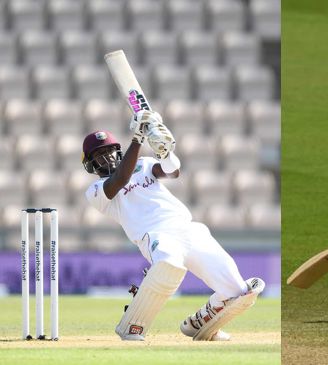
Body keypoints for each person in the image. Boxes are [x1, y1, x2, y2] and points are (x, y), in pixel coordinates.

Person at [81, 110, 265, 341]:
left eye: (109, 150)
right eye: (99, 154)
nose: (107, 157)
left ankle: (199, 322)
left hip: (188, 228)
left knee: (239, 293)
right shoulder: (96, 191)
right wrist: (138, 138)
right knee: (168, 264)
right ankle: (132, 327)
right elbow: (120, 180)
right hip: (154, 234)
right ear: (90, 164)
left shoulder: (144, 163)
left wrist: (166, 151)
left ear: (118, 151)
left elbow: (172, 171)